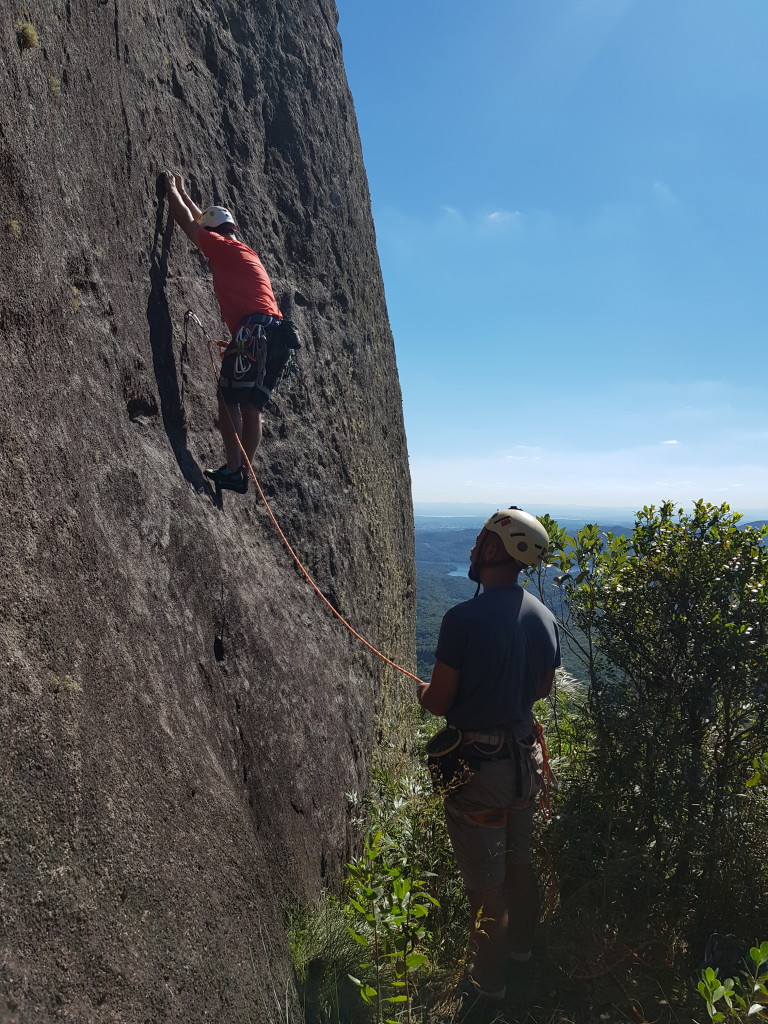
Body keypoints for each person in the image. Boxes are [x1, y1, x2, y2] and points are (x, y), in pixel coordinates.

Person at [417, 507, 560, 1006]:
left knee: (486, 887)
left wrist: (424, 693)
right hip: (525, 765)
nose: (474, 548)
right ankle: (521, 960)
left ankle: (488, 989)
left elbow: (438, 702)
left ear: (497, 549)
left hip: (480, 771)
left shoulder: (462, 619)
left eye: (481, 540)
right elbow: (541, 689)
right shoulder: (545, 617)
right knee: (522, 868)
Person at [164, 170, 284, 494]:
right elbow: (201, 219)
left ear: (215, 233)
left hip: (253, 332)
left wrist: (172, 189)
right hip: (277, 334)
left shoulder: (221, 248)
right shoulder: (243, 250)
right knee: (252, 406)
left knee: (227, 396)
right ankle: (241, 471)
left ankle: (234, 469)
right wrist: (187, 192)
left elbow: (188, 223)